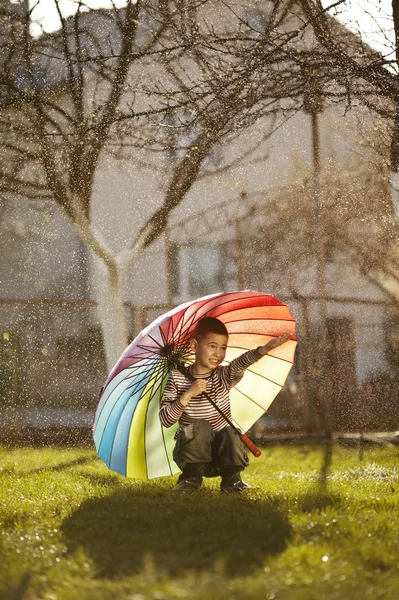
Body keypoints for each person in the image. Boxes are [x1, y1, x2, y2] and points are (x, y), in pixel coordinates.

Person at [159, 316, 291, 492]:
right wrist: (188, 394)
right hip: (192, 458)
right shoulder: (177, 378)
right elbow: (166, 419)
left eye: (223, 348)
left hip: (222, 458)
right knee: (200, 426)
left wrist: (265, 349)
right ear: (194, 346)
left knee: (229, 430)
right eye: (212, 346)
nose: (218, 354)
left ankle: (232, 480)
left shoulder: (222, 376)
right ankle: (190, 479)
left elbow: (239, 363)